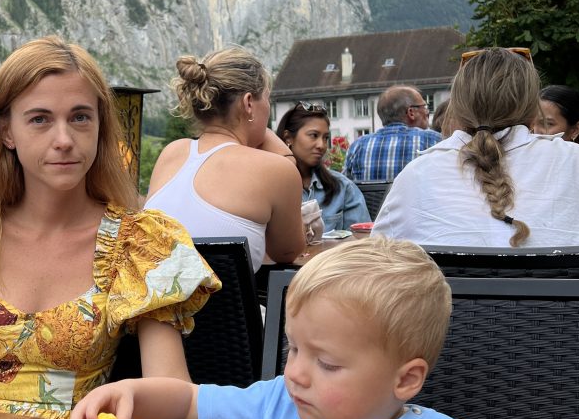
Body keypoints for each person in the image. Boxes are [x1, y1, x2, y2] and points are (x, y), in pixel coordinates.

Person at [0, 36, 220, 419]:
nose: (64, 140)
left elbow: (173, 401)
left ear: (99, 126)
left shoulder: (137, 244)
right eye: (40, 119)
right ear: (7, 131)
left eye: (79, 117)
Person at [68, 236, 485, 419]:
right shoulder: (272, 407)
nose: (296, 373)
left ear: (406, 380)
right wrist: (130, 393)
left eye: (327, 363)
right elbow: (188, 402)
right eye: (293, 348)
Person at [372, 48, 579, 247]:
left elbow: (379, 267)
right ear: (532, 109)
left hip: (448, 308)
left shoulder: (417, 175)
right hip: (572, 310)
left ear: (458, 108)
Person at [144, 48, 304, 270]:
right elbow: (286, 252)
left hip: (151, 304)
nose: (269, 109)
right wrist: (283, 154)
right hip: (229, 305)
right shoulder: (276, 169)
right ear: (249, 103)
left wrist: (250, 127)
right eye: (267, 99)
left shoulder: (171, 153)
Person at [275, 103, 368, 234]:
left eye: (325, 138)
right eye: (314, 135)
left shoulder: (342, 187)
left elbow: (361, 242)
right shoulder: (272, 188)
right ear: (288, 138)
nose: (322, 145)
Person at [343, 86, 440, 183]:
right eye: (425, 107)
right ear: (411, 113)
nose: (428, 112)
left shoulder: (357, 146)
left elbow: (346, 188)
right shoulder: (434, 141)